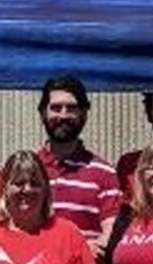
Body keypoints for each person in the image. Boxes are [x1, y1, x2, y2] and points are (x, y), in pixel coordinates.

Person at [36, 75, 123, 240]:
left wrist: (80, 252)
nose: (63, 115)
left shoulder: (105, 173)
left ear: (83, 114)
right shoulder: (28, 170)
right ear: (42, 113)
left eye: (71, 108)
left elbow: (111, 235)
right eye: (56, 108)